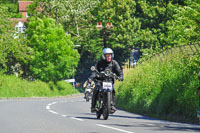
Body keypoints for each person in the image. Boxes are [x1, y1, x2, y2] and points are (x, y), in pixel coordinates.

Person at [89, 48, 123, 113]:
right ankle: (93, 106)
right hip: (100, 81)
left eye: (110, 55)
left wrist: (120, 77)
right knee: (96, 89)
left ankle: (112, 105)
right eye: (107, 56)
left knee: (112, 90)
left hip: (109, 81)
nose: (109, 57)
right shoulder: (100, 63)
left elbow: (119, 71)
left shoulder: (114, 63)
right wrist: (94, 75)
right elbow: (95, 70)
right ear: (104, 56)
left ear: (112, 55)